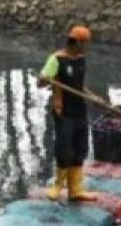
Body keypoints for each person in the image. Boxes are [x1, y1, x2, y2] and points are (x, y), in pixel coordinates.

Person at [38, 25, 98, 202]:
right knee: (65, 149)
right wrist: (45, 79)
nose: (86, 47)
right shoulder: (56, 59)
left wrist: (93, 96)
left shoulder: (81, 59)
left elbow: (79, 87)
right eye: (85, 43)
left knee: (80, 148)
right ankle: (58, 185)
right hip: (63, 110)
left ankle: (75, 190)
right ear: (77, 42)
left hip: (80, 109)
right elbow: (40, 84)